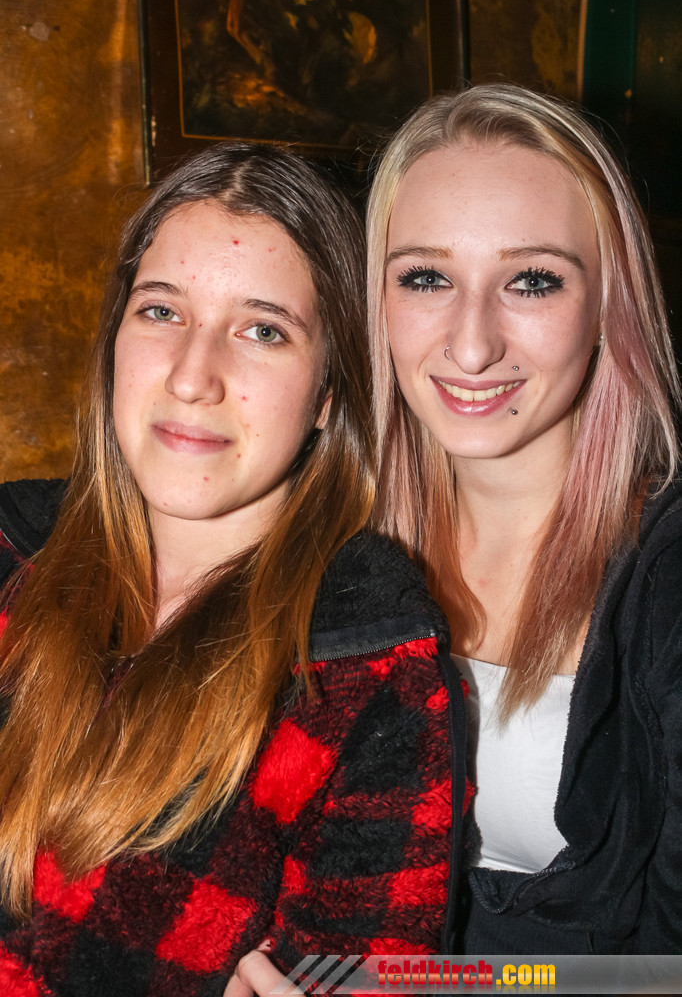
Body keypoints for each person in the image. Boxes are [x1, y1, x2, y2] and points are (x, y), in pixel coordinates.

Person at [0, 142, 468, 996]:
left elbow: (369, 972)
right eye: (161, 311)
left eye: (263, 331)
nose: (192, 377)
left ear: (328, 394)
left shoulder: (369, 672)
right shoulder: (10, 554)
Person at [364, 83, 682, 955]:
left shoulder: (667, 581)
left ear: (610, 306)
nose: (472, 344)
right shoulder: (331, 544)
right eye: (426, 277)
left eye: (532, 281)